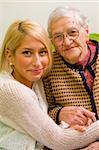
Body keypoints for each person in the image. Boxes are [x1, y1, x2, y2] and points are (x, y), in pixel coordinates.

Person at [0, 19, 99, 150]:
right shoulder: (9, 89)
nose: (37, 62)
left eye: (42, 52)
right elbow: (59, 141)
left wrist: (65, 128)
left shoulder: (36, 80)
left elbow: (42, 129)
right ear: (9, 55)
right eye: (27, 53)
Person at [42, 6, 99, 149]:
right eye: (58, 36)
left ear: (86, 32)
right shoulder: (47, 68)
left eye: (72, 32)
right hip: (75, 143)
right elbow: (41, 113)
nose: (67, 42)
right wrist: (59, 114)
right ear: (52, 41)